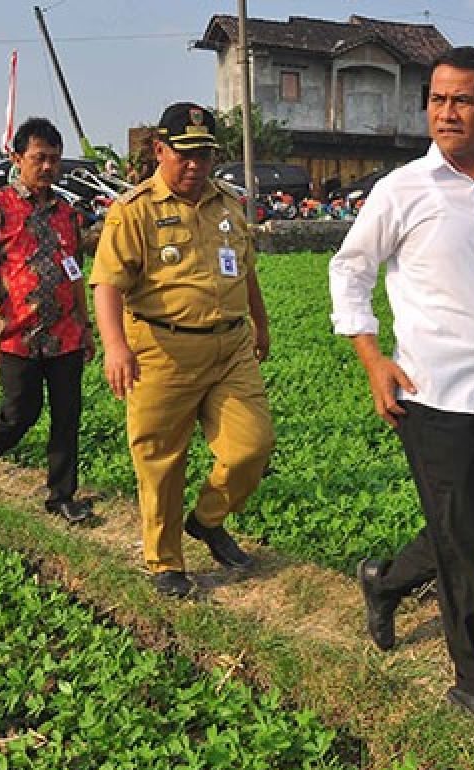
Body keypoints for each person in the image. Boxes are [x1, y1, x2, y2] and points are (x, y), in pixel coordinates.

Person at [329, 46, 474, 732]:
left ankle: (385, 580)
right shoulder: (404, 190)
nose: (445, 112)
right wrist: (373, 359)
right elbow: (349, 272)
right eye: (436, 99)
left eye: (462, 100)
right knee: (465, 547)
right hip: (433, 395)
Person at [92, 102, 274, 598]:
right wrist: (114, 346)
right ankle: (164, 561)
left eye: (205, 155)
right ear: (159, 151)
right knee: (161, 460)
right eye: (185, 155)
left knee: (251, 446)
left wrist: (260, 321)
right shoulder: (133, 212)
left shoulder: (229, 204)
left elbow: (246, 268)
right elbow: (107, 283)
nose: (195, 165)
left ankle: (208, 519)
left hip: (230, 348)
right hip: (160, 349)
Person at [0, 117, 94, 524]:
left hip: (65, 333)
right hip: (17, 332)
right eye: (39, 158)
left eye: (55, 159)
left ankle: (61, 495)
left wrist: (86, 325)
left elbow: (74, 270)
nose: (48, 167)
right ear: (17, 158)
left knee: (67, 414)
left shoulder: (68, 214)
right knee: (21, 410)